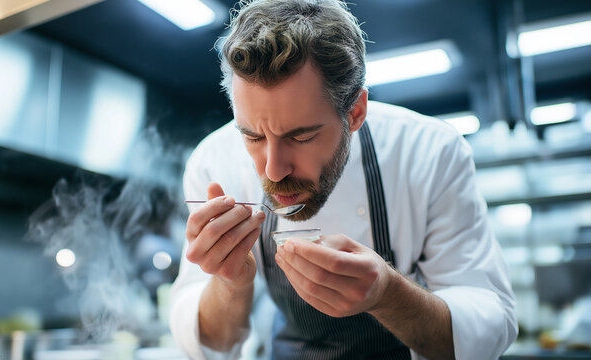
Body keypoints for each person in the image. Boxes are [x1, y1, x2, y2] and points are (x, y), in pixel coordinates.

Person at [170, 0, 517, 359]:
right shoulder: (214, 162)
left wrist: (388, 294)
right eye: (253, 137)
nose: (273, 171)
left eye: (301, 137)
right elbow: (214, 342)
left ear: (355, 112)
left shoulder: (430, 152)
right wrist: (231, 282)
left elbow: (489, 329)